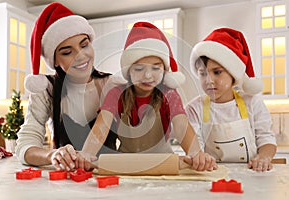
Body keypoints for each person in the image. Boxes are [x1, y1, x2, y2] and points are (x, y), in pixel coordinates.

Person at [82, 21, 217, 172]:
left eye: (155, 67)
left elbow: (181, 126)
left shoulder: (169, 94)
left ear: (164, 70)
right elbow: (102, 126)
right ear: (128, 71)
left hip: (163, 161)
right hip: (126, 163)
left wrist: (195, 153)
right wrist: (87, 153)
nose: (147, 75)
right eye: (139, 68)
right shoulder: (116, 93)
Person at [16, 2, 117, 171]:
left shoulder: (111, 84)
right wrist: (52, 155)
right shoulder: (47, 90)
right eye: (67, 52)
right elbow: (25, 146)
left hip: (111, 177)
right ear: (55, 60)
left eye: (84, 45)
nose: (81, 56)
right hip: (69, 182)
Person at [186, 27, 277, 172]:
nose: (209, 80)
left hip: (252, 174)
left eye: (217, 72)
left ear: (233, 73)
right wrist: (199, 158)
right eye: (202, 74)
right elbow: (194, 146)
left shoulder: (252, 102)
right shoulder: (194, 108)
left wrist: (263, 157)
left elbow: (266, 139)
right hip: (212, 176)